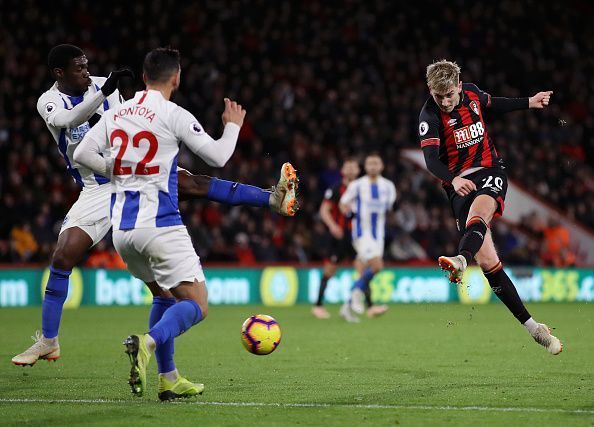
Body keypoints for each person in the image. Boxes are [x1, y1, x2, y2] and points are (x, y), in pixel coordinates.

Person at [12, 44, 297, 368]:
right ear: (59, 73)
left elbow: (128, 125)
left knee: (192, 183)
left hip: (133, 177)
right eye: (78, 68)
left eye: (86, 64)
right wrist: (107, 92)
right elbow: (68, 120)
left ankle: (271, 198)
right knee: (63, 254)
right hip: (96, 187)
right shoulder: (50, 101)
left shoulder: (107, 87)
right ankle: (49, 341)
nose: (86, 71)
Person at [74, 47, 264, 400]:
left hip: (122, 231)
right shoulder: (173, 113)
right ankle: (147, 343)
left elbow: (81, 154)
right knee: (197, 304)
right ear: (176, 77)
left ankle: (169, 378)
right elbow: (219, 157)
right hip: (160, 224)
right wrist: (233, 127)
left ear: (144, 77)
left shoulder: (118, 113)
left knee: (163, 294)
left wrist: (120, 174)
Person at [418, 59, 562, 355]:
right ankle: (534, 328)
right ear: (430, 91)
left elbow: (496, 103)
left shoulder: (470, 94)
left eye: (449, 95)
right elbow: (431, 160)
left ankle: (460, 260)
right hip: (457, 184)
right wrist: (452, 179)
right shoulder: (429, 115)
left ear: (459, 85)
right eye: (438, 96)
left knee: (480, 213)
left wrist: (529, 102)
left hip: (489, 170)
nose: (445, 102)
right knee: (488, 264)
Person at [338, 153, 396, 322]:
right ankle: (356, 294)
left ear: (381, 166)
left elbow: (389, 208)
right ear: (365, 166)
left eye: (376, 163)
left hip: (378, 235)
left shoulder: (388, 186)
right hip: (362, 233)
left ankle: (347, 307)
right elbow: (343, 203)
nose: (372, 166)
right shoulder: (357, 185)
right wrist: (350, 214)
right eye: (369, 163)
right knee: (377, 266)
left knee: (364, 270)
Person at [313, 158, 360, 319]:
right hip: (340, 235)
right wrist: (333, 226)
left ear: (358, 170)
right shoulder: (336, 189)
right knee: (330, 269)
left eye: (354, 166)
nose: (351, 169)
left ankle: (367, 304)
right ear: (343, 170)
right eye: (348, 166)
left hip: (357, 236)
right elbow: (324, 210)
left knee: (363, 267)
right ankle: (318, 306)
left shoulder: (363, 188)